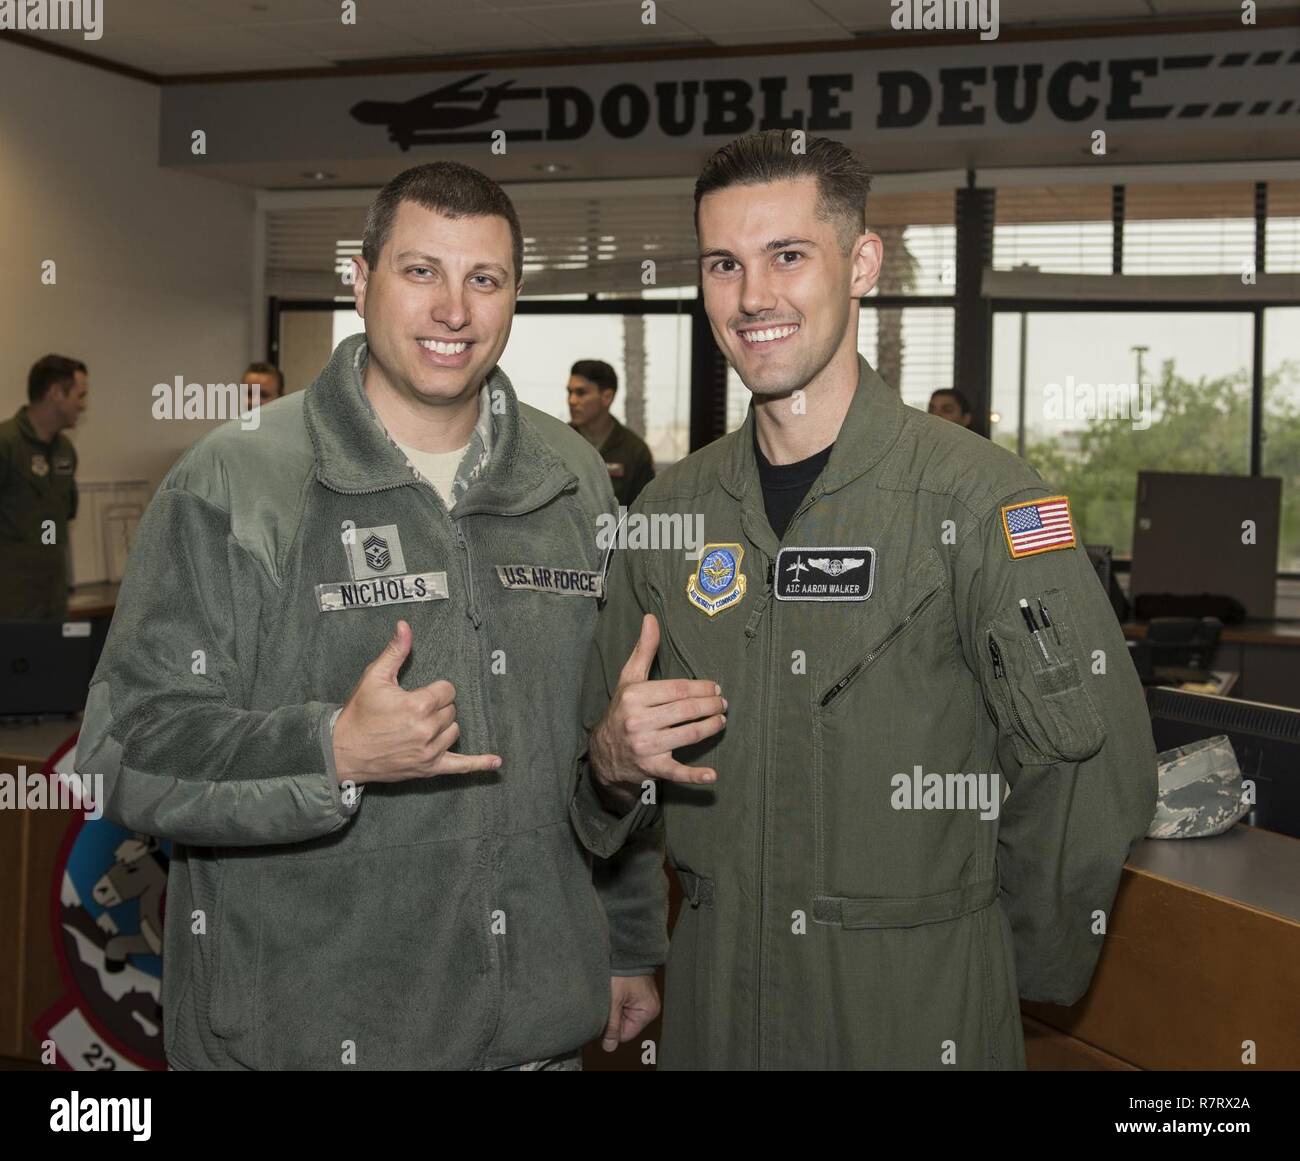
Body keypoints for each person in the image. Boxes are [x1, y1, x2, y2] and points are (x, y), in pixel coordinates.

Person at [570, 130, 1157, 1070]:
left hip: (915, 1013)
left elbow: (1092, 772)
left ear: (864, 263)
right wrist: (608, 764)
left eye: (788, 256)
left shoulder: (986, 499)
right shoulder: (668, 516)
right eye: (725, 263)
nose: (754, 296)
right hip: (716, 1005)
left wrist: (989, 965)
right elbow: (598, 784)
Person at [77, 161, 664, 1070]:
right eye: (422, 270)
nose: (454, 310)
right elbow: (127, 751)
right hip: (301, 1038)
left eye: (485, 279)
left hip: (538, 1036)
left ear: (515, 295)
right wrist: (331, 753)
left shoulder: (569, 479)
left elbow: (604, 738)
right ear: (361, 277)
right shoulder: (238, 480)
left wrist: (627, 938)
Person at [0, 355, 88, 619]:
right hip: (11, 603)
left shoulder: (65, 451)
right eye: (80, 395)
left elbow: (66, 513)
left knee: (57, 658)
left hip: (53, 598)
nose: (83, 406)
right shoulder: (6, 445)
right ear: (55, 393)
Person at [567, 359, 655, 507]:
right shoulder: (557, 443)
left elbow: (644, 514)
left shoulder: (635, 451)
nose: (572, 400)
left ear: (607, 397)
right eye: (569, 392)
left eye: (581, 393)